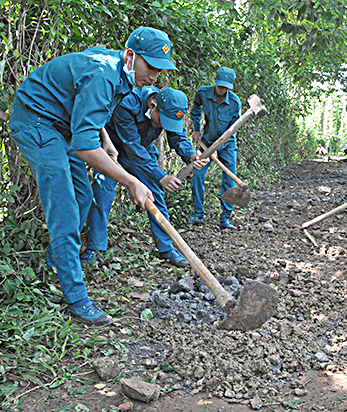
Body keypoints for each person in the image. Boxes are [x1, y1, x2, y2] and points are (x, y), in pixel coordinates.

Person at [9, 27, 178, 326]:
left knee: (84, 195)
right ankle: (76, 298)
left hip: (62, 125)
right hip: (36, 122)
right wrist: (131, 181)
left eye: (159, 70)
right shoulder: (104, 74)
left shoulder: (120, 71)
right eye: (150, 67)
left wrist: (107, 141)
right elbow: (85, 148)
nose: (153, 76)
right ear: (131, 56)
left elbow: (88, 111)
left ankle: (57, 262)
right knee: (64, 207)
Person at [82, 87, 208, 267]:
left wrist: (191, 155)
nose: (164, 127)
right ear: (153, 105)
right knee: (103, 192)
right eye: (162, 121)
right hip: (113, 151)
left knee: (155, 193)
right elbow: (133, 150)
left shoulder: (168, 108)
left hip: (141, 149)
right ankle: (95, 247)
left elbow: (178, 137)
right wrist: (161, 176)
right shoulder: (127, 104)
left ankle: (166, 248)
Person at [189, 67, 242, 229]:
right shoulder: (203, 93)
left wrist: (220, 147)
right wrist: (197, 129)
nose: (223, 90)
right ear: (215, 81)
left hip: (228, 145)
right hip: (207, 141)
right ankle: (198, 214)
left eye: (226, 87)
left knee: (229, 179)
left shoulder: (234, 102)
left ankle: (225, 218)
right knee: (197, 174)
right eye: (220, 86)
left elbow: (233, 128)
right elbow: (195, 110)